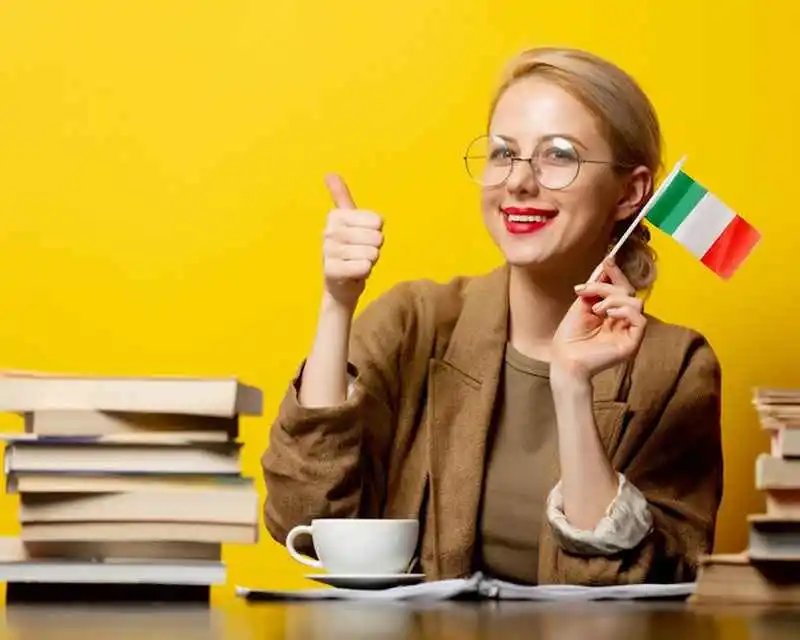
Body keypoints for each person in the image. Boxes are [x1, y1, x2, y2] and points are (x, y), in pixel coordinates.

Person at [261, 46, 723, 585]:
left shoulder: (677, 368)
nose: (519, 182)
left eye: (559, 155)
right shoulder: (415, 322)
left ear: (630, 193)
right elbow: (303, 516)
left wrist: (573, 389)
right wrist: (336, 304)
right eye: (503, 153)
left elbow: (645, 580)